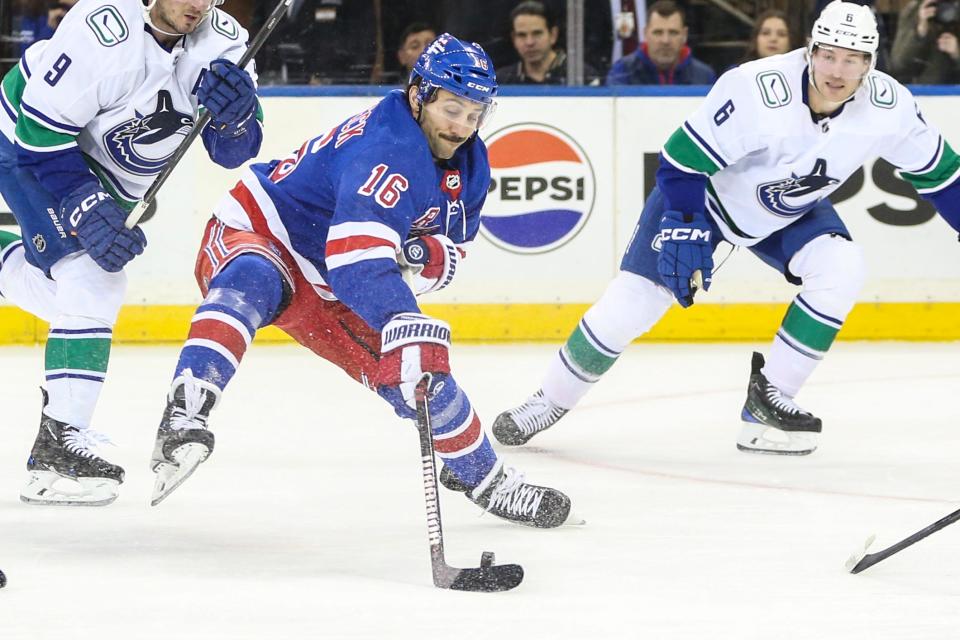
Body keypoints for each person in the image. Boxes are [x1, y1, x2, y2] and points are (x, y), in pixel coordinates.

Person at [493, 1, 960, 456]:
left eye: (853, 60)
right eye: (829, 55)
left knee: (843, 268)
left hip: (789, 209)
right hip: (705, 199)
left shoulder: (888, 106)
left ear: (870, 64)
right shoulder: (756, 89)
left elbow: (943, 178)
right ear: (811, 50)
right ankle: (548, 400)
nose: (838, 71)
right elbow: (679, 161)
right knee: (634, 302)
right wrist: (686, 224)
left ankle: (769, 399)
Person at [146, 34, 575, 529]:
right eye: (452, 108)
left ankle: (486, 479)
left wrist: (420, 259)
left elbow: (449, 254)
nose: (462, 127)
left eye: (475, 114)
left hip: (330, 277)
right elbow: (356, 263)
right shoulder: (387, 150)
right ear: (419, 95)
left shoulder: (472, 167)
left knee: (418, 381)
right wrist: (402, 316)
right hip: (258, 228)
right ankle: (185, 416)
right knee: (252, 281)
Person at [0, 0, 263, 505]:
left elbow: (236, 152)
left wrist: (235, 118)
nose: (198, 5)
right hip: (27, 144)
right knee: (94, 279)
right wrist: (82, 203)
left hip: (108, 172)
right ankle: (56, 452)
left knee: (74, 302)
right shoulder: (103, 29)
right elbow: (39, 136)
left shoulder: (225, 40)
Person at [607, 0, 716, 85]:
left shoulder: (705, 77)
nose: (665, 41)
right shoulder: (622, 73)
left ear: (684, 35)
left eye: (673, 33)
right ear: (645, 33)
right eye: (658, 33)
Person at [497, 1, 601, 85]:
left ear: (553, 35)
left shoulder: (583, 77)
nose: (529, 42)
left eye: (537, 33)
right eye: (522, 35)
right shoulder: (502, 80)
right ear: (513, 38)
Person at [890, 0, 960, 84]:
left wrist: (957, 53)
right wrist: (920, 32)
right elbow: (899, 65)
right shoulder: (914, 12)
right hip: (923, 90)